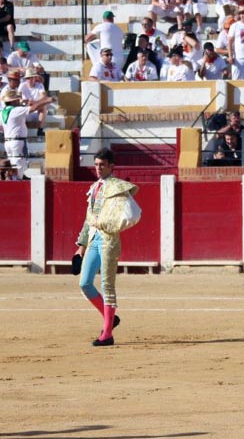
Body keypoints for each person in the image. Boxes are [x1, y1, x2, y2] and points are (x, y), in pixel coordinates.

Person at [75, 148, 139, 347]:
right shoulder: (94, 187)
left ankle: (107, 334)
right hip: (94, 239)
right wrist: (81, 245)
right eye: (96, 164)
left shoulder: (118, 187)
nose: (98, 168)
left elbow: (133, 214)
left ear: (111, 166)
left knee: (107, 285)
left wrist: (114, 227)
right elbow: (89, 219)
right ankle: (110, 318)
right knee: (84, 283)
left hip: (109, 240)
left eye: (102, 165)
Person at [0, 89, 53, 179]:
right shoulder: (16, 110)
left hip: (8, 142)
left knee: (13, 164)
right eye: (17, 100)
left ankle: (15, 179)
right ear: (14, 101)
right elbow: (33, 108)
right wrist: (46, 101)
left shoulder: (2, 112)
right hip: (17, 142)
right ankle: (17, 181)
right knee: (19, 164)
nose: (18, 101)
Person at [18, 67, 48, 136]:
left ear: (35, 78)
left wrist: (34, 103)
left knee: (44, 106)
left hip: (36, 108)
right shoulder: (22, 85)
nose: (30, 79)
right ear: (26, 79)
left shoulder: (39, 85)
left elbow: (43, 97)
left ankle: (40, 130)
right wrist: (25, 101)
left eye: (32, 77)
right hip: (25, 109)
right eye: (28, 78)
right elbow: (18, 98)